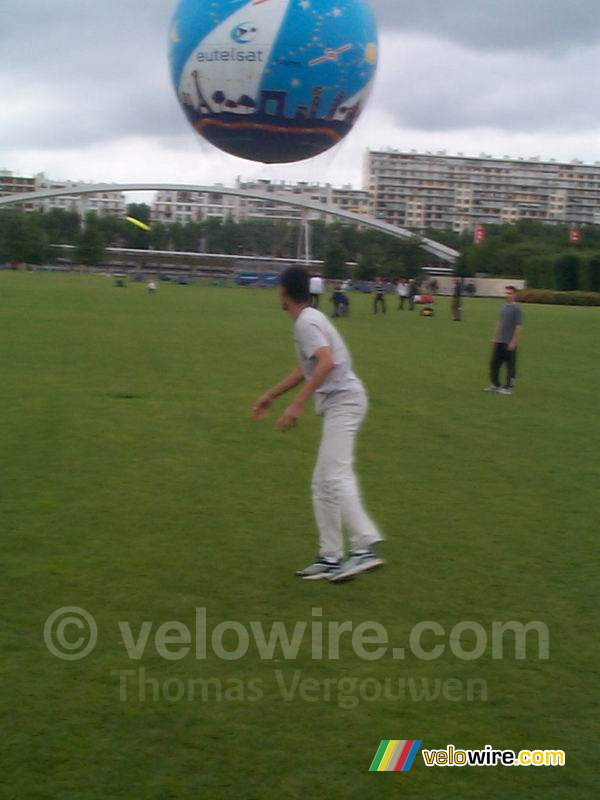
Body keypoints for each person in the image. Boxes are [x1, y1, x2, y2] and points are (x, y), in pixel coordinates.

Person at [252, 267, 383, 582]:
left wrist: (297, 405)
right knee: (323, 480)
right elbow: (308, 368)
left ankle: (364, 547)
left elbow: (326, 363)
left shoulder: (306, 323)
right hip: (342, 401)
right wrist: (272, 395)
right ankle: (331, 557)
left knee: (334, 476)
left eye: (278, 288)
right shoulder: (309, 319)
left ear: (284, 291)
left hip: (345, 402)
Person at [484, 285, 523, 395]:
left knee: (510, 366)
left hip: (509, 342)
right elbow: (500, 323)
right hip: (500, 341)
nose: (507, 295)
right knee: (494, 363)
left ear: (515, 295)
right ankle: (495, 384)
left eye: (510, 293)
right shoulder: (503, 307)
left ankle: (508, 387)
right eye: (506, 293)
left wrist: (513, 341)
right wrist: (495, 337)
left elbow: (518, 326)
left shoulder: (517, 309)